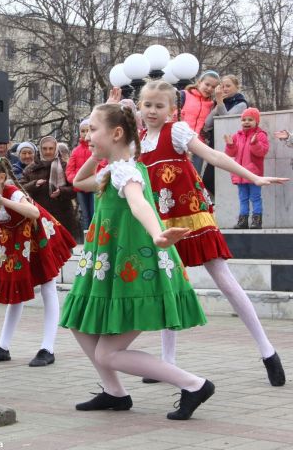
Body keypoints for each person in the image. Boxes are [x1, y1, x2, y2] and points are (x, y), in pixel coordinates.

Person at [61, 102, 213, 420]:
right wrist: (97, 148)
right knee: (78, 324)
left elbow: (138, 202)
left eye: (93, 130)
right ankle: (115, 393)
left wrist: (158, 234)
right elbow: (78, 181)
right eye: (86, 130)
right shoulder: (113, 167)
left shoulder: (126, 169)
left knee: (108, 351)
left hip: (134, 270)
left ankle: (194, 384)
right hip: (111, 267)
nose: (87, 136)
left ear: (116, 134)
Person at [133, 81, 287, 387]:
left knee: (225, 281)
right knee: (168, 285)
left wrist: (253, 177)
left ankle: (267, 351)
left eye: (159, 106)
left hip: (192, 216)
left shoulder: (175, 132)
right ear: (140, 106)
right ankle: (168, 363)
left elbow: (214, 157)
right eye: (147, 105)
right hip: (161, 222)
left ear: (172, 110)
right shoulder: (138, 141)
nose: (152, 111)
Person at [0, 156, 76, 367]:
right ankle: (3, 346)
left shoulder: (13, 193)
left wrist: (2, 201)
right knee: (16, 290)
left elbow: (34, 212)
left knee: (48, 285)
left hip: (36, 237)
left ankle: (47, 348)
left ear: (2, 177)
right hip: (13, 240)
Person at [20, 136, 79, 238]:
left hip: (63, 216)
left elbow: (75, 189)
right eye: (45, 148)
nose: (48, 152)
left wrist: (61, 191)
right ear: (40, 149)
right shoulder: (30, 169)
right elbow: (20, 188)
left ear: (56, 149)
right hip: (39, 214)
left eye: (51, 148)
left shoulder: (65, 166)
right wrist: (34, 184)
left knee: (63, 249)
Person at [201, 75, 249, 194]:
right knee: (207, 179)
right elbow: (207, 124)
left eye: (228, 86)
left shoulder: (241, 103)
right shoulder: (220, 103)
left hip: (231, 146)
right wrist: (218, 104)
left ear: (237, 87)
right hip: (215, 144)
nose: (225, 89)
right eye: (222, 86)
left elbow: (226, 120)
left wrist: (220, 102)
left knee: (220, 179)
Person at [224, 108, 270, 229]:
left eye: (250, 119)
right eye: (244, 120)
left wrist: (254, 143)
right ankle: (243, 221)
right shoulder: (237, 136)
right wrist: (230, 145)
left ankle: (257, 220)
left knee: (255, 197)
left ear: (257, 121)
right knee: (243, 198)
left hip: (254, 174)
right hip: (240, 174)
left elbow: (262, 152)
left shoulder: (260, 135)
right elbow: (231, 153)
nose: (246, 122)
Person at [180, 70, 220, 173]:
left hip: (198, 144)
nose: (209, 88)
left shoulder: (212, 104)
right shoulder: (184, 95)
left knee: (195, 176)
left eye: (213, 87)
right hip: (180, 141)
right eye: (207, 84)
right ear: (199, 82)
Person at [67, 120, 94, 234]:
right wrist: (77, 180)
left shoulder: (96, 148)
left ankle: (95, 238)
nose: (85, 133)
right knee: (84, 214)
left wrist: (92, 180)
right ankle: (86, 239)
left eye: (88, 130)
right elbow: (69, 170)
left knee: (94, 212)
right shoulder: (76, 151)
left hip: (94, 187)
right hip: (80, 189)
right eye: (82, 131)